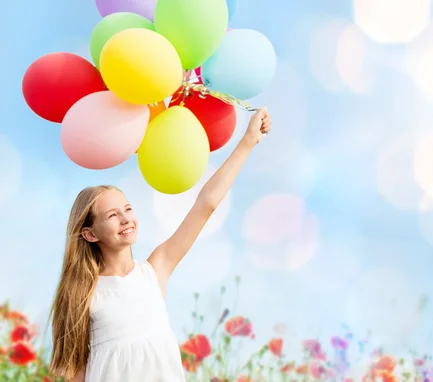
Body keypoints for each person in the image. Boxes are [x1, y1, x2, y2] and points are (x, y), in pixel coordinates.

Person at [48, 108, 272, 381]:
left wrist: (248, 141)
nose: (125, 219)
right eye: (112, 215)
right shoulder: (83, 291)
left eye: (127, 209)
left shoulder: (155, 269)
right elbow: (75, 372)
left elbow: (207, 204)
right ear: (90, 234)